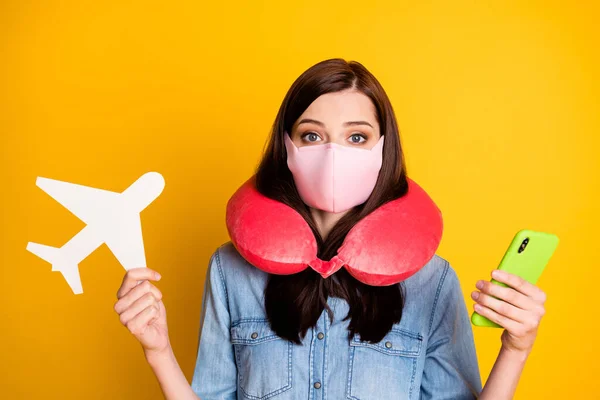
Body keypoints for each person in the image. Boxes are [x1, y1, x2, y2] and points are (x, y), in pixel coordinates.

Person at [114, 59, 547, 400]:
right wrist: (158, 352)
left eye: (356, 137)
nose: (334, 155)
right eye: (312, 136)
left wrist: (515, 349)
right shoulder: (231, 270)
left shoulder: (431, 282)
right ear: (287, 148)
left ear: (382, 150)